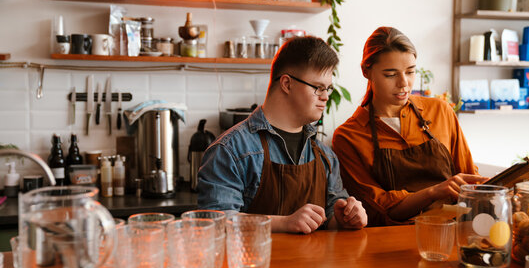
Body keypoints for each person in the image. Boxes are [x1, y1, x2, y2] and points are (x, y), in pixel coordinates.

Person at [197, 36, 368, 233]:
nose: (326, 96)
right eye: (318, 87)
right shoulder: (231, 150)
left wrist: (346, 218)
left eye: (328, 88)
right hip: (254, 263)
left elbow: (331, 219)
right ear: (287, 84)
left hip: (311, 264)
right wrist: (284, 223)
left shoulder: (325, 156)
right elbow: (216, 221)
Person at [332, 27, 487, 227]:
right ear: (366, 72)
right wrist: (434, 192)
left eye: (410, 71)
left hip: (453, 233)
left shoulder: (441, 111)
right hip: (390, 242)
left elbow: (468, 178)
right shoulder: (348, 136)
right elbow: (379, 209)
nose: (404, 83)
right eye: (390, 74)